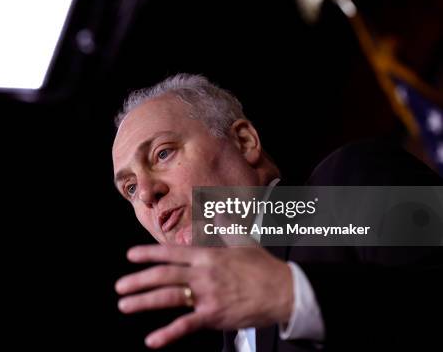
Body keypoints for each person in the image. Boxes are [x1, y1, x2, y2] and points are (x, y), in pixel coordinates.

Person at [112, 73, 443, 351]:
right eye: (129, 188)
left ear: (244, 142)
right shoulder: (230, 335)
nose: (145, 193)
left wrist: (291, 295)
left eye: (163, 153)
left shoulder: (347, 184)